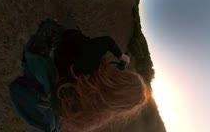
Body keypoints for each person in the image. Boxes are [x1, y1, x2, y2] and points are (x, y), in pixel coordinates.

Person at [9, 18, 149, 132]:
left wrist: (121, 57)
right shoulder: (93, 114)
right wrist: (121, 68)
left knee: (53, 28)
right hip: (49, 87)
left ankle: (49, 34)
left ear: (121, 79)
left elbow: (107, 41)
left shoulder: (93, 62)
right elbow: (111, 87)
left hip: (60, 48)